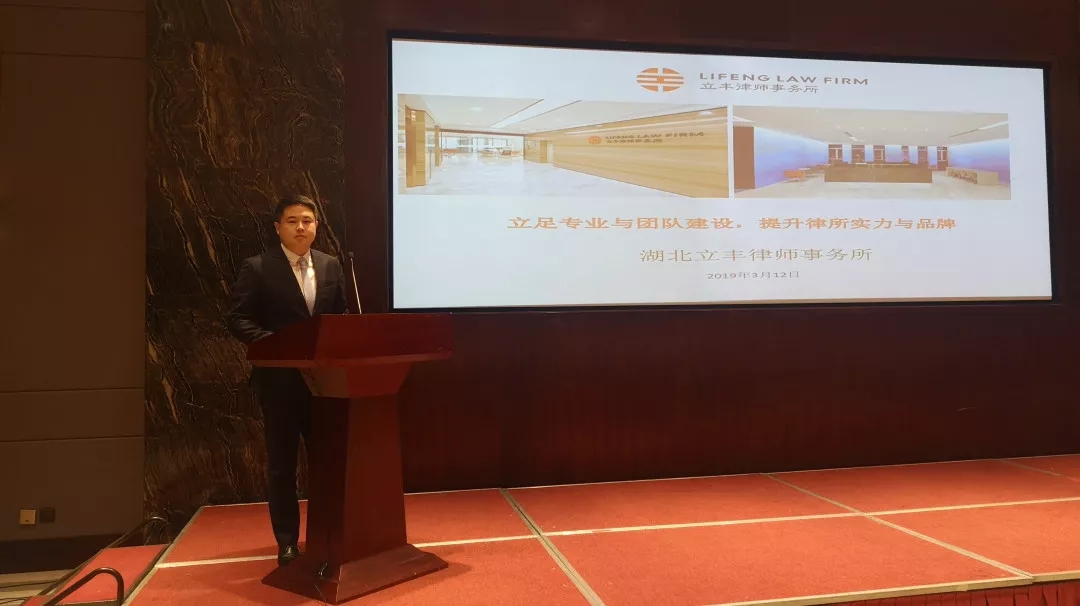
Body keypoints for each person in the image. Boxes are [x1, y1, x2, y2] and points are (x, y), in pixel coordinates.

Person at [226, 194, 350, 566]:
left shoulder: (330, 265)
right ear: (278, 227)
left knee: (328, 463)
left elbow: (340, 314)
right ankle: (287, 542)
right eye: (293, 221)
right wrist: (278, 345)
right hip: (279, 384)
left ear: (316, 227)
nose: (301, 227)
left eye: (307, 221)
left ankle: (330, 535)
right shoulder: (258, 267)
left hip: (324, 383)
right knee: (282, 466)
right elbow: (238, 319)